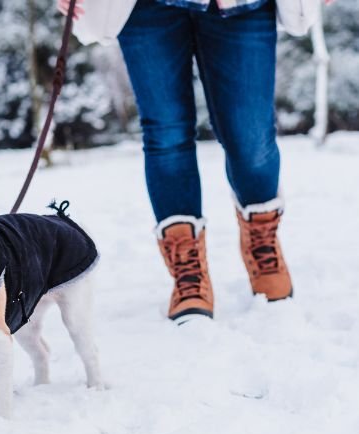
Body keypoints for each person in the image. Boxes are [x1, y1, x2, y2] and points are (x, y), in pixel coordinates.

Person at [60, 0, 321, 322]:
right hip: (147, 8)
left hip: (243, 6)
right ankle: (188, 269)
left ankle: (262, 241)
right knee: (165, 135)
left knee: (251, 136)